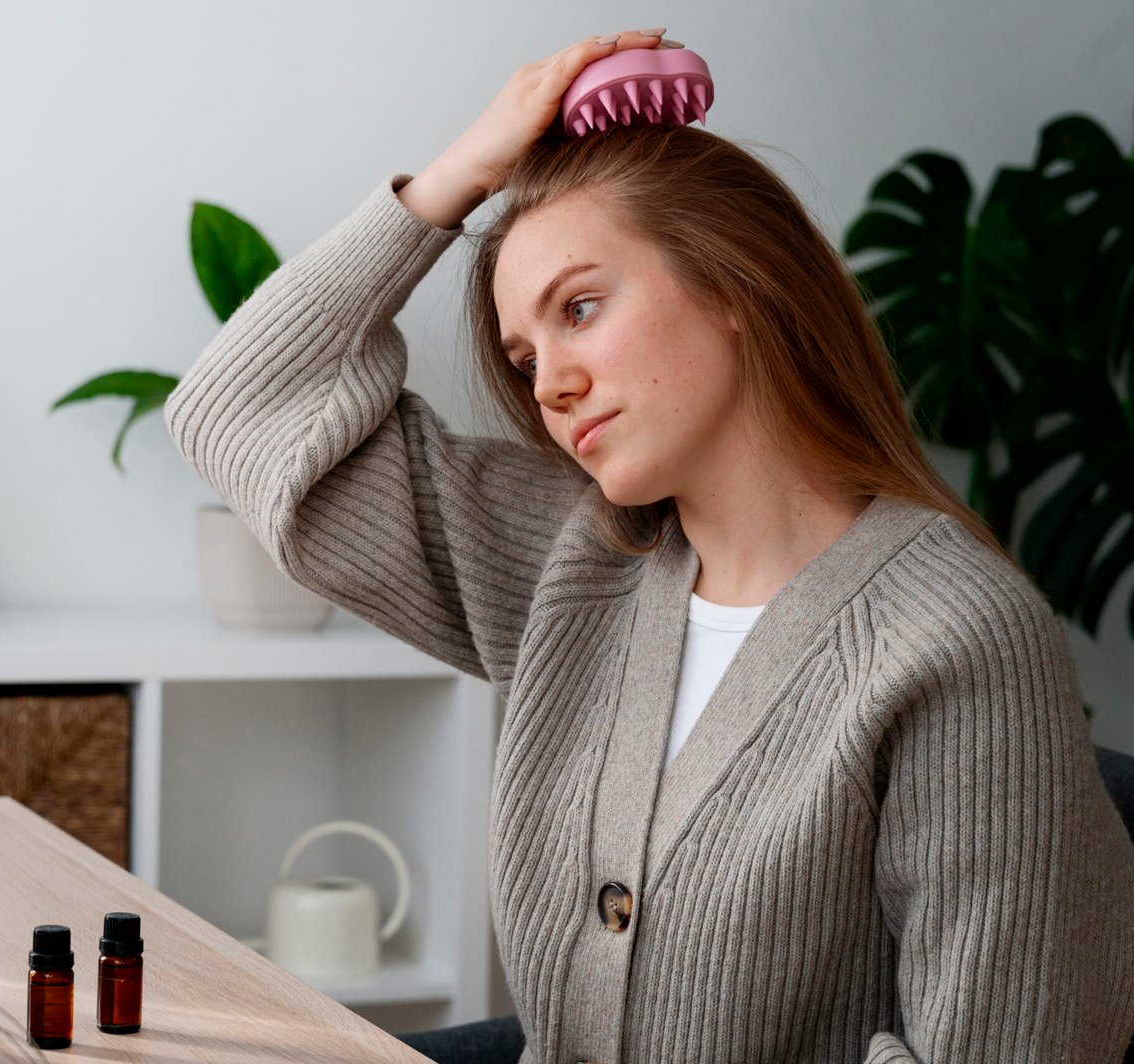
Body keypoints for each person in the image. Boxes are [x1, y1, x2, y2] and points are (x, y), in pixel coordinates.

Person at [163, 27, 1134, 1064]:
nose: (547, 386)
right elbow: (237, 415)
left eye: (580, 308)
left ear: (733, 284)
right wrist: (462, 173)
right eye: (525, 354)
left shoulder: (955, 639)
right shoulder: (574, 565)